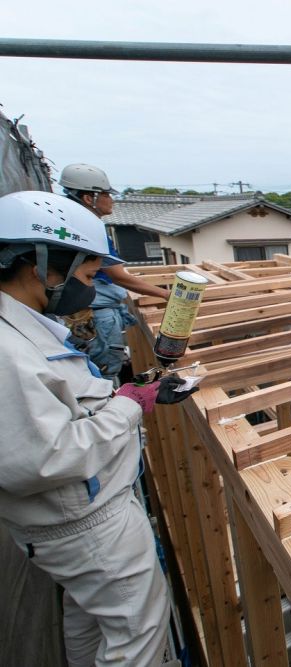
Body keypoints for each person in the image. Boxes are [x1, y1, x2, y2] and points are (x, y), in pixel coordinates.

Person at [0, 190, 198, 666]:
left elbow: (61, 408)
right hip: (83, 524)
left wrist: (128, 391)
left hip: (70, 519)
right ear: (43, 267)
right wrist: (129, 405)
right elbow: (42, 458)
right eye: (87, 275)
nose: (89, 287)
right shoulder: (7, 351)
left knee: (89, 616)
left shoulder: (25, 331)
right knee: (139, 635)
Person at [59, 163, 170, 382]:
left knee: (96, 368)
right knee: (105, 370)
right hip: (95, 311)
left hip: (85, 308)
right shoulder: (86, 225)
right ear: (89, 197)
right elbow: (117, 275)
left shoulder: (69, 220)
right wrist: (166, 294)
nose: (111, 199)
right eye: (107, 194)